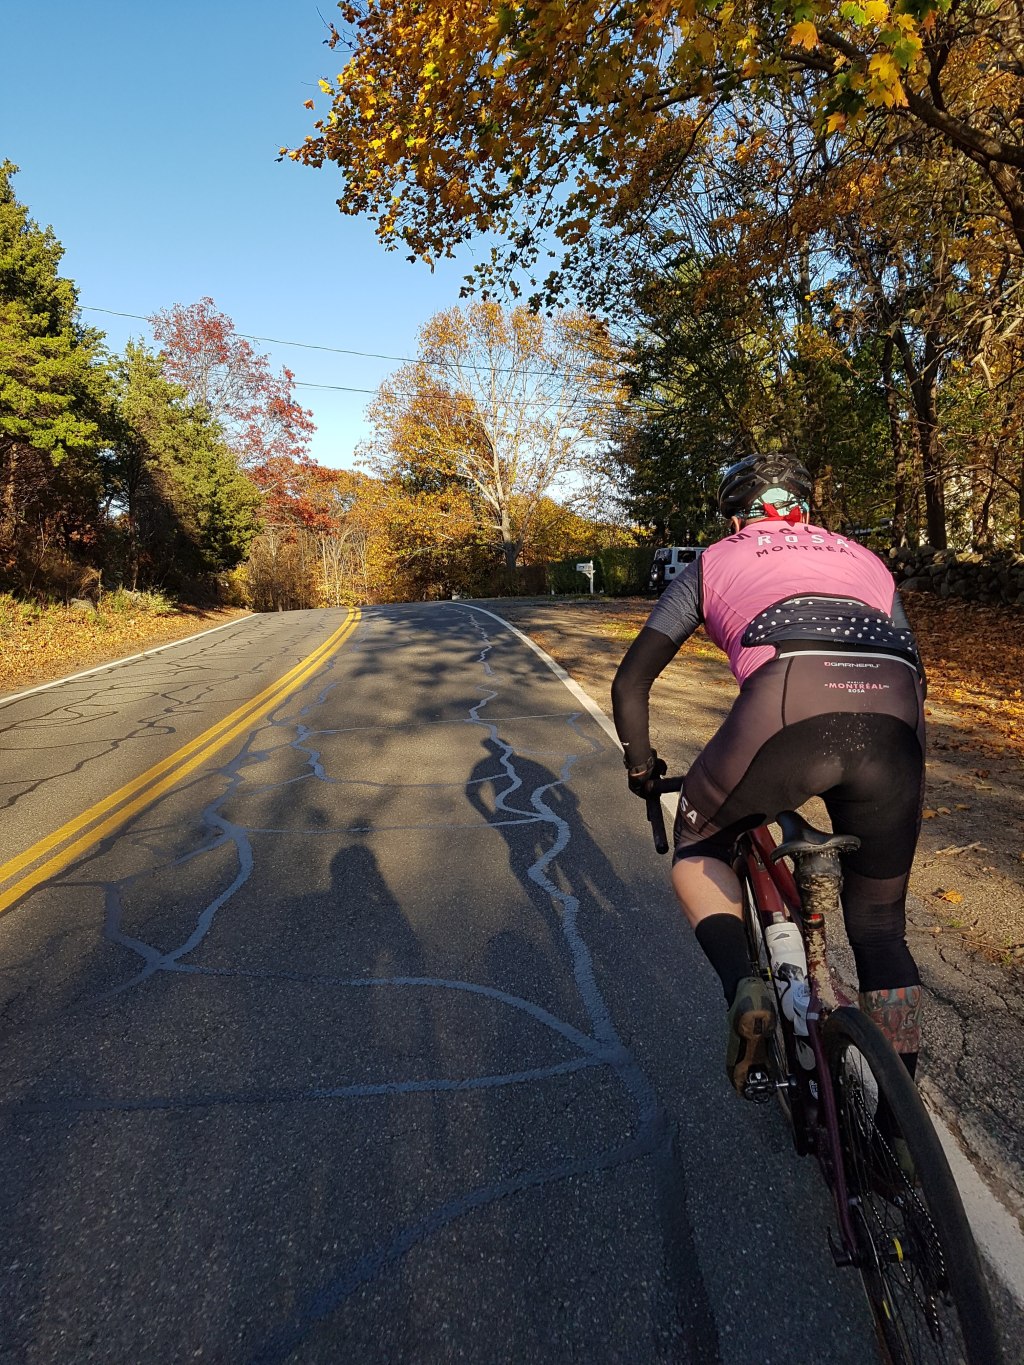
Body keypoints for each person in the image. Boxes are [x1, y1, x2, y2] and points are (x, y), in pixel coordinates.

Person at [611, 454, 927, 1096]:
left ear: (735, 518)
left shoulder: (714, 560)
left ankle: (744, 987)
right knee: (879, 927)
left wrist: (642, 768)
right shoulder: (865, 558)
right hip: (895, 718)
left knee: (700, 847)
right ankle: (898, 1123)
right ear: (805, 511)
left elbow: (631, 682)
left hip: (786, 707)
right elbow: (913, 667)